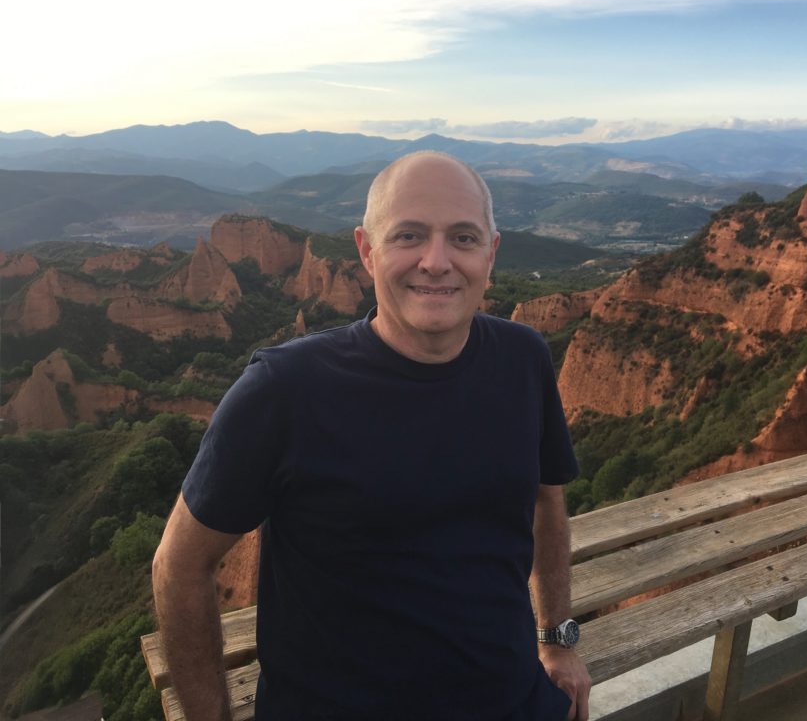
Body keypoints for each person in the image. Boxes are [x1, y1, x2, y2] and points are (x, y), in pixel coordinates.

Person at [151, 151, 592, 720]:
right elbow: (179, 566)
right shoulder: (285, 389)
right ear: (365, 250)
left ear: (491, 252)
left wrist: (557, 638)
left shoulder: (523, 357)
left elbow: (546, 499)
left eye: (463, 238)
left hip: (513, 704)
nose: (436, 261)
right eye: (409, 235)